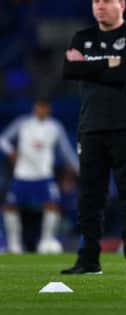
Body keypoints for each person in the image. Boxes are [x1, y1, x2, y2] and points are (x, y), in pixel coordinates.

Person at [60, 0, 126, 274]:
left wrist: (89, 66)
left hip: (125, 125)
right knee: (90, 196)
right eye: (96, 0)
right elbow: (69, 71)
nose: (100, 5)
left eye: (106, 0)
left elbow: (124, 73)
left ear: (121, 4)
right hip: (91, 127)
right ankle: (88, 259)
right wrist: (107, 65)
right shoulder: (82, 37)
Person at [1, 99, 79, 254]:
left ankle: (46, 241)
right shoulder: (22, 123)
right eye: (39, 108)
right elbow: (2, 139)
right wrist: (11, 153)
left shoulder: (55, 127)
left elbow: (65, 150)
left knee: (52, 205)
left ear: (48, 110)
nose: (42, 111)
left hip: (44, 175)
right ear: (35, 108)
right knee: (10, 207)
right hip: (22, 174)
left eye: (45, 108)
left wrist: (77, 168)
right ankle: (14, 245)